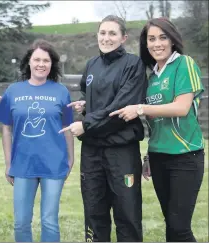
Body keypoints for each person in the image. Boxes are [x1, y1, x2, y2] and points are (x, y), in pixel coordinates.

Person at [110, 17, 205, 242]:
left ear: (172, 40)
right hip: (158, 157)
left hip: (185, 157)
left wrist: (140, 108)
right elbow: (155, 122)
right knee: (171, 226)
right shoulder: (151, 77)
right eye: (151, 39)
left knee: (179, 227)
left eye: (163, 37)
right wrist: (148, 156)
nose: (157, 44)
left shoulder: (185, 64)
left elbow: (181, 108)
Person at [61, 15, 147, 242]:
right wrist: (84, 104)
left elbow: (120, 108)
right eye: (102, 33)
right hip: (92, 153)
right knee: (94, 213)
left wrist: (86, 124)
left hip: (122, 152)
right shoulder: (91, 65)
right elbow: (87, 92)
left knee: (127, 214)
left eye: (112, 33)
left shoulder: (133, 64)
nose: (106, 38)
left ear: (123, 38)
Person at [0, 39, 74, 242]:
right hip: (23, 165)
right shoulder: (13, 91)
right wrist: (8, 162)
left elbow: (67, 129)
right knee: (21, 222)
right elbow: (6, 128)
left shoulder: (61, 92)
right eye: (37, 59)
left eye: (46, 60)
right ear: (28, 62)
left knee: (49, 221)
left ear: (52, 64)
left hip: (54, 164)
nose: (41, 64)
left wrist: (71, 159)